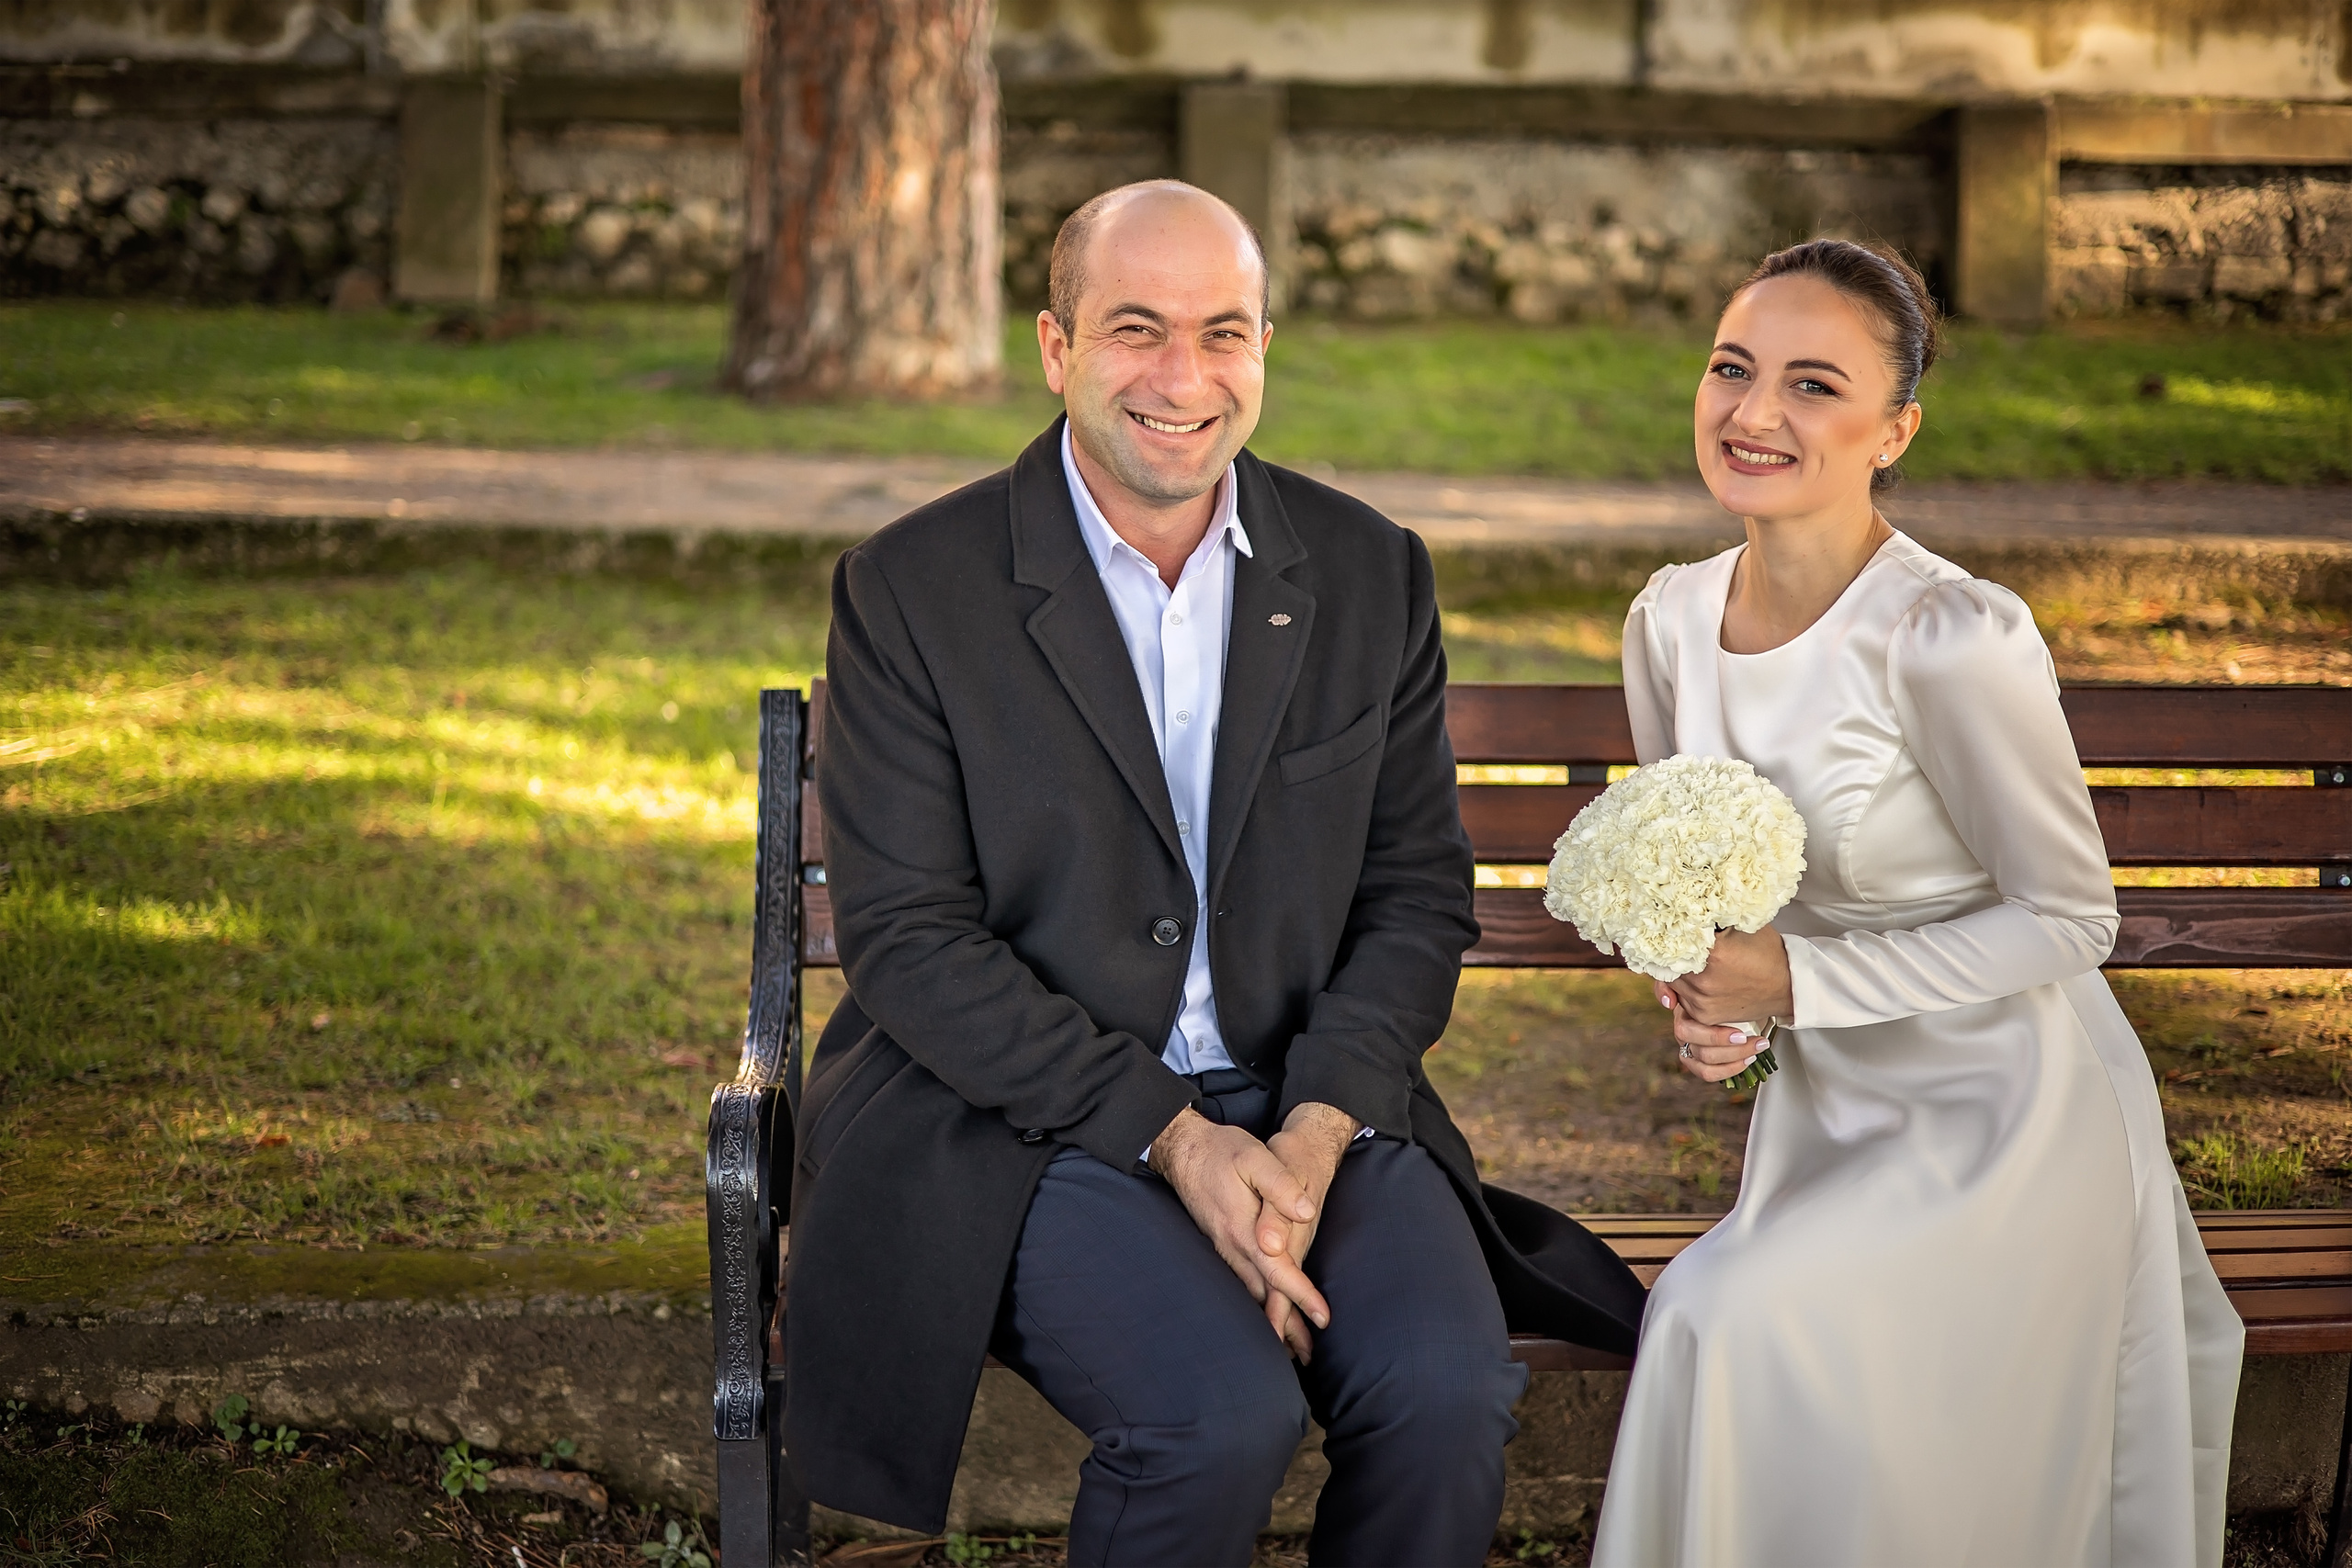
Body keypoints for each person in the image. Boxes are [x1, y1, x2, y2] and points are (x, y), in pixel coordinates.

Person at [787, 179, 1647, 1568]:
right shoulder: (911, 589)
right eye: (1136, 330)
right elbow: (911, 942)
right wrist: (1178, 1140)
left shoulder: (1370, 574)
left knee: (1443, 1392)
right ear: (1057, 348)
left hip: (1315, 1102)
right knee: (1212, 1416)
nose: (1184, 379)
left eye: (1224, 333)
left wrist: (1312, 1130)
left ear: (1264, 350)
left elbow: (1418, 893)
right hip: (1017, 1119)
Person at [1589, 238, 2244, 1567]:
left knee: (1735, 1314)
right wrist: (1723, 1024)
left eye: (1814, 386)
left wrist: (1798, 987)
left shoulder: (1951, 635)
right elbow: (1719, 893)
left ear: (1895, 430)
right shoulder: (1666, 622)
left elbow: (2071, 920)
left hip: (2010, 1119)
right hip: (1831, 1120)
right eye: (1732, 368)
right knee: (1722, 1311)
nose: (1754, 413)